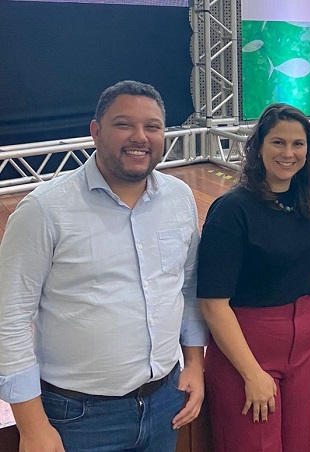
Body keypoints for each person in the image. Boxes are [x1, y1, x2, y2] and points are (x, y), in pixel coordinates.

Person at [0, 80, 208, 451]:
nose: (140, 137)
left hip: (165, 403)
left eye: (153, 126)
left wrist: (194, 363)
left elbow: (189, 286)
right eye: (124, 124)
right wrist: (31, 426)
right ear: (96, 132)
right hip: (77, 418)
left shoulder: (178, 198)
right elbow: (9, 319)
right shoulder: (44, 210)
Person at [197, 103, 310, 452]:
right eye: (278, 143)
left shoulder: (305, 203)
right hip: (247, 347)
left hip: (306, 345)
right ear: (258, 148)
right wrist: (251, 373)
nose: (288, 153)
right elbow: (212, 304)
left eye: (298, 144)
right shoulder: (231, 211)